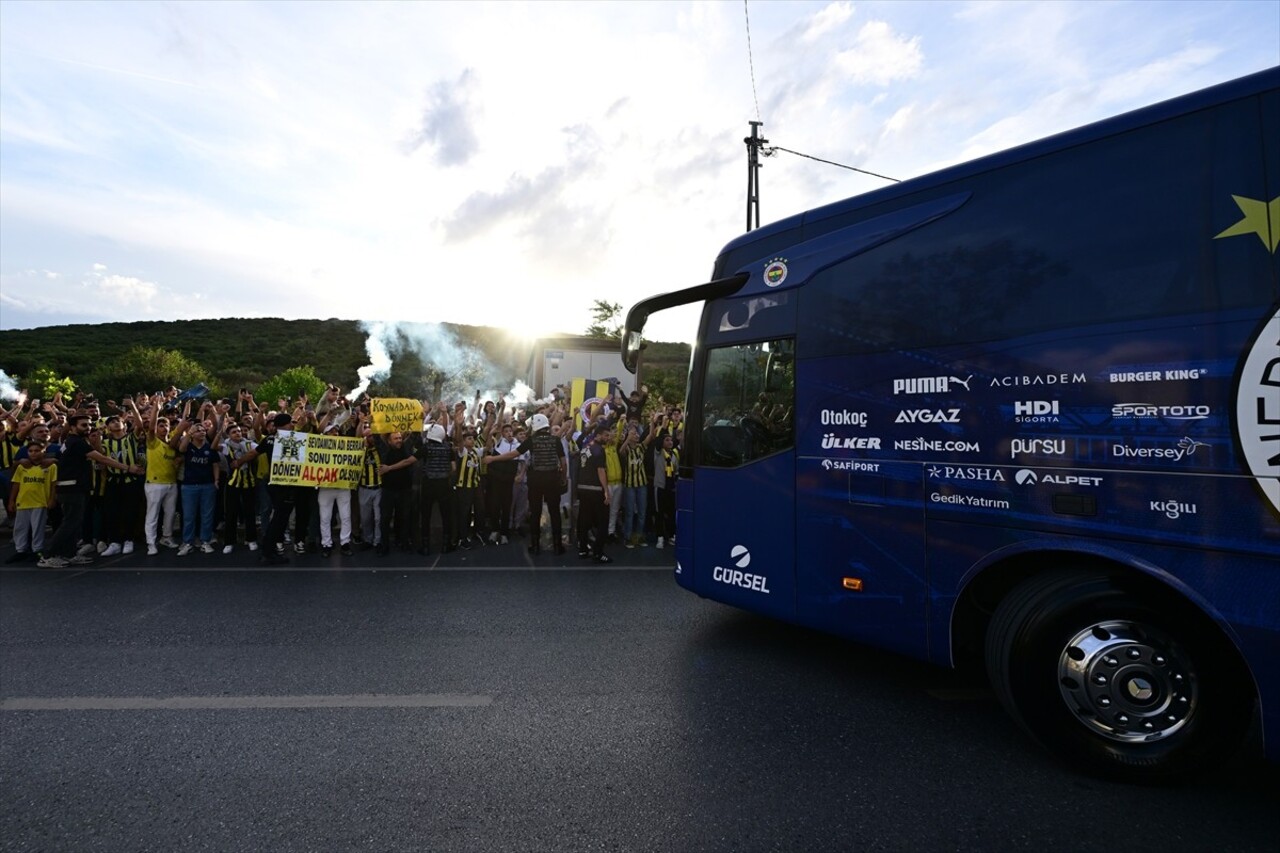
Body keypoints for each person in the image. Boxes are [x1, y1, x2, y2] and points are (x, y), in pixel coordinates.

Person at [39, 414, 143, 569]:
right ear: (73, 427)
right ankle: (47, 556)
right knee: (69, 524)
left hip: (75, 488)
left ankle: (70, 554)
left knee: (73, 524)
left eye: (88, 425)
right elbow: (103, 459)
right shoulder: (77, 443)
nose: (87, 428)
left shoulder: (71, 441)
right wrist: (128, 468)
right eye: (83, 425)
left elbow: (60, 459)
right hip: (71, 489)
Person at [517, 412, 566, 555]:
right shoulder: (556, 440)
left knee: (535, 512)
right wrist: (563, 477)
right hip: (553, 479)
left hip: (535, 481)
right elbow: (563, 462)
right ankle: (557, 545)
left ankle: (535, 544)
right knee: (554, 512)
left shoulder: (531, 440)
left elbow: (515, 453)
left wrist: (494, 459)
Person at [97, 413, 144, 556]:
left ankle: (129, 540)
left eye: (118, 421)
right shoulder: (105, 442)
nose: (116, 423)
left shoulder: (131, 438)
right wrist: (97, 437)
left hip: (131, 480)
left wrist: (132, 405)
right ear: (108, 427)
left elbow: (140, 425)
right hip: (113, 480)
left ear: (124, 424)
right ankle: (114, 542)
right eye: (112, 422)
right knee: (112, 512)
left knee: (130, 511)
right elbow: (100, 455)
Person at [174, 418, 220, 555]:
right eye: (198, 430)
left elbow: (215, 464)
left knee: (207, 515)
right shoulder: (188, 446)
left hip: (207, 485)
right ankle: (188, 542)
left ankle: (205, 541)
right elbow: (181, 449)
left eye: (203, 430)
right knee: (189, 515)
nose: (201, 432)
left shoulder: (210, 447)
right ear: (192, 434)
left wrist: (216, 480)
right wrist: (189, 433)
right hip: (189, 486)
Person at [6, 442, 56, 564]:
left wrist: (52, 499)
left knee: (38, 528)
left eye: (37, 450)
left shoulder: (50, 466)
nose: (33, 453)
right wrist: (11, 500)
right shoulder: (22, 467)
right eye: (31, 451)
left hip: (40, 502)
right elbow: (16, 484)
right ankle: (20, 550)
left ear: (43, 451)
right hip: (23, 501)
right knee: (20, 528)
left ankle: (37, 551)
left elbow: (53, 484)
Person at [143, 409, 180, 555]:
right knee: (152, 515)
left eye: (167, 426)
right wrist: (156, 410)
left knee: (170, 513)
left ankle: (167, 537)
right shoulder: (153, 442)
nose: (165, 428)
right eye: (161, 426)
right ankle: (151, 543)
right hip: (154, 484)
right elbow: (150, 428)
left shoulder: (171, 445)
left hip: (171, 483)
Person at [575, 423, 613, 564]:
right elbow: (600, 470)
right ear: (598, 435)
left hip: (583, 488)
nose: (607, 438)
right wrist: (606, 491)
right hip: (595, 489)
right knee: (603, 521)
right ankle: (598, 552)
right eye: (605, 435)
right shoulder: (598, 450)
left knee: (584, 520)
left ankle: (583, 549)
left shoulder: (586, 447)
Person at [219, 421, 258, 554]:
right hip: (232, 483)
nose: (238, 433)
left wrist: (240, 461)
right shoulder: (226, 445)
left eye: (239, 431)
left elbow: (255, 452)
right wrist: (220, 432)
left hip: (249, 482)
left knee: (250, 512)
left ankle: (251, 539)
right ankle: (229, 541)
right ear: (228, 435)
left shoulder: (248, 443)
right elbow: (214, 447)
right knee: (231, 512)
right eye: (234, 432)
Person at [417, 422, 455, 554]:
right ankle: (446, 544)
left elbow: (412, 460)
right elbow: (454, 468)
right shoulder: (448, 448)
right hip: (443, 484)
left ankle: (425, 546)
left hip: (428, 484)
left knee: (426, 516)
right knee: (446, 515)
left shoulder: (426, 448)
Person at [377, 431, 416, 556]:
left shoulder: (406, 447)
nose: (399, 440)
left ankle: (404, 543)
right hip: (388, 490)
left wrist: (420, 417)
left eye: (400, 438)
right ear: (389, 441)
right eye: (395, 438)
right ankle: (384, 545)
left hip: (405, 489)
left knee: (404, 517)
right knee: (385, 519)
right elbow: (377, 436)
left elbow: (415, 433)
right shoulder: (384, 450)